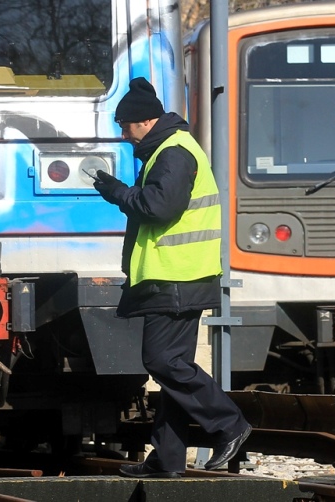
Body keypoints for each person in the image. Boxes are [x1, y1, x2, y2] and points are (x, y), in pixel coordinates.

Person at [91, 77, 251, 478]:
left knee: (161, 360)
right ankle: (167, 460)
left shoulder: (175, 152)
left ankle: (229, 423)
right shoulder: (169, 149)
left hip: (177, 277)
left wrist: (117, 192)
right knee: (172, 364)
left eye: (124, 126)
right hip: (179, 276)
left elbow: (159, 208)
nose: (123, 135)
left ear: (144, 121)